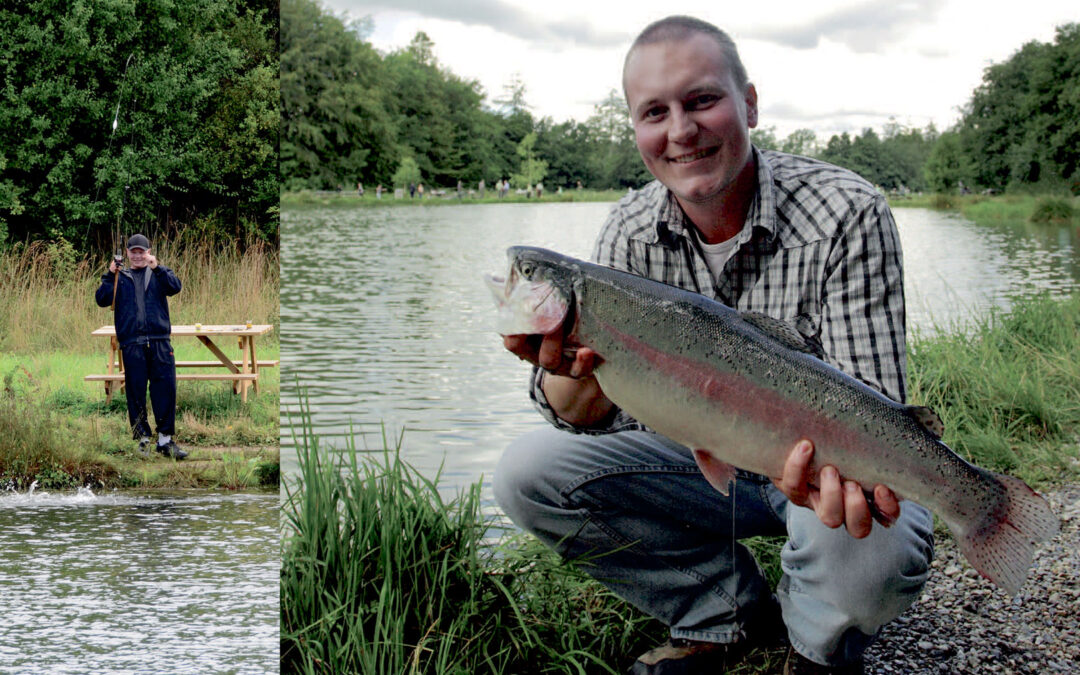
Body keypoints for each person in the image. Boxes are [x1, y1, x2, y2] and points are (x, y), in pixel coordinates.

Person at [494, 16, 933, 675]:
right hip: (699, 465)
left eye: (702, 100)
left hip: (820, 460)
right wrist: (567, 365)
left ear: (749, 104)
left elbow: (873, 404)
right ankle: (724, 614)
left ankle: (814, 648)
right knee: (526, 473)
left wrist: (845, 480)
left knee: (870, 547)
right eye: (655, 112)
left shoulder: (848, 209)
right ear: (636, 129)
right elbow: (581, 418)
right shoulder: (627, 232)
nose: (681, 130)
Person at [95, 234, 187, 459]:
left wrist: (157, 267)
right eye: (133, 252)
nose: (137, 256)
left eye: (141, 252)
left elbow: (175, 287)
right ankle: (143, 440)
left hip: (159, 341)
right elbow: (102, 299)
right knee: (135, 392)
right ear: (127, 253)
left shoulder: (158, 273)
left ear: (148, 252)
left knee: (165, 388)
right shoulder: (120, 276)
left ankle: (165, 440)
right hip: (132, 343)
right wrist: (110, 274)